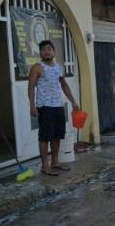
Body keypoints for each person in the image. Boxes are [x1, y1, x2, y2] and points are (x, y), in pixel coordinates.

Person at [28, 40, 80, 176]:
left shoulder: (58, 67)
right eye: (43, 49)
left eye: (49, 49)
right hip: (45, 106)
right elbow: (31, 86)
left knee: (57, 135)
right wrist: (32, 105)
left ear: (53, 51)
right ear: (40, 52)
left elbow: (64, 85)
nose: (46, 51)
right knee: (45, 136)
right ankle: (45, 166)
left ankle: (55, 162)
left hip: (58, 106)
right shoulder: (37, 67)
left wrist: (73, 102)